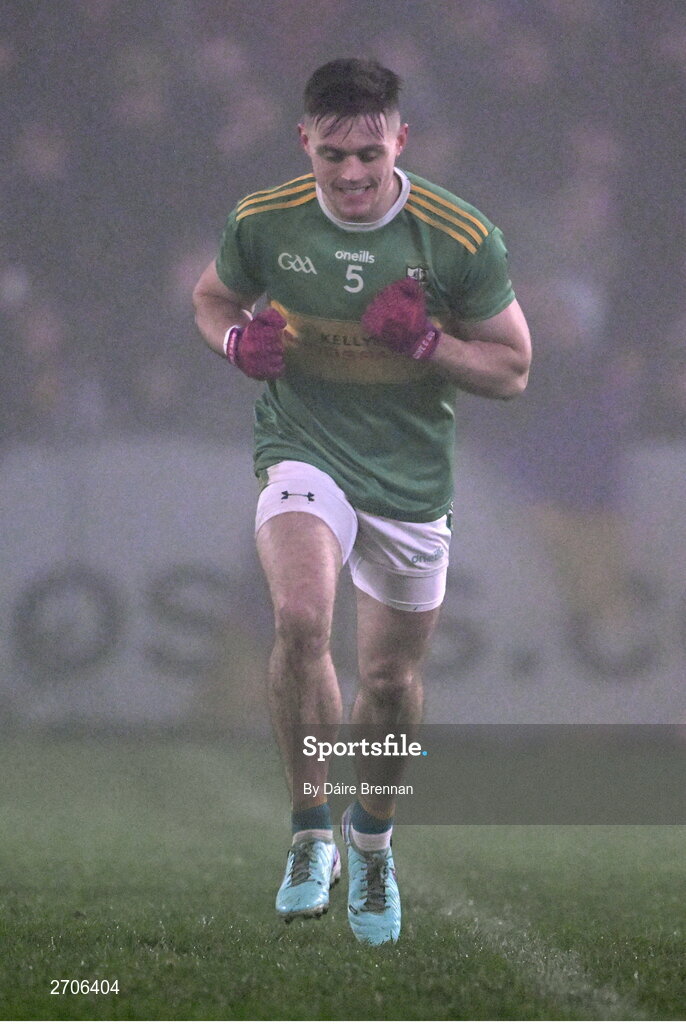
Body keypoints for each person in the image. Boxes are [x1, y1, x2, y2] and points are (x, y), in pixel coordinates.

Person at [193, 58, 531, 946]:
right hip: (303, 448)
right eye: (332, 154)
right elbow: (212, 296)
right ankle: (312, 835)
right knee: (302, 618)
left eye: (368, 156)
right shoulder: (263, 220)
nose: (349, 175)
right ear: (304, 140)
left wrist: (425, 342)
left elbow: (513, 367)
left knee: (389, 677)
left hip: (412, 479)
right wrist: (234, 340)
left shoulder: (459, 237)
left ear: (400, 143)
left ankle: (371, 841)